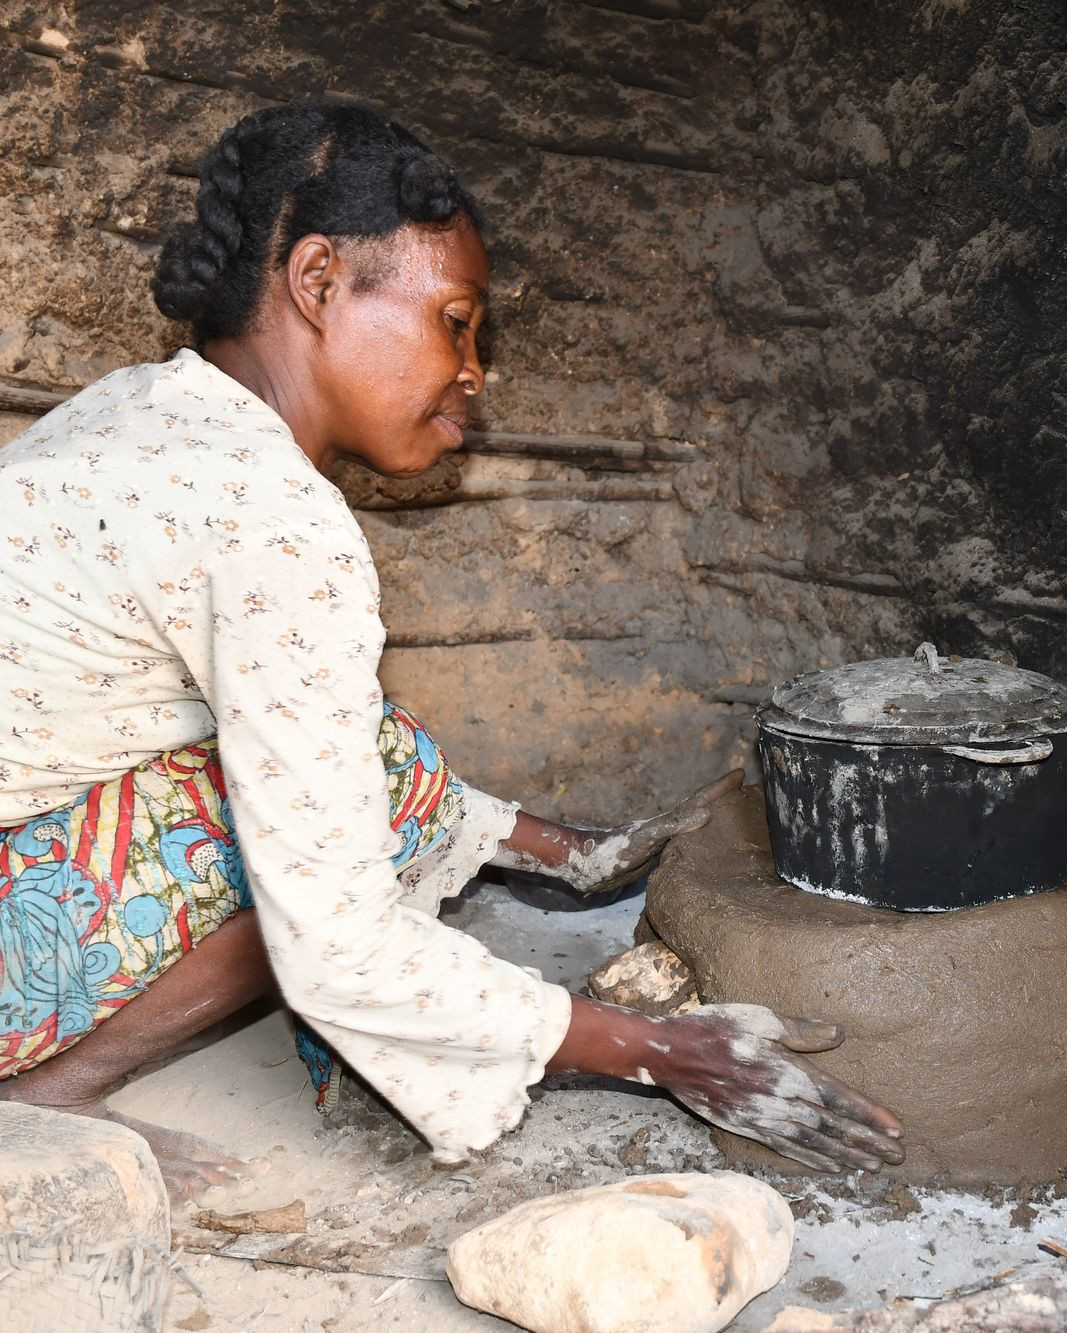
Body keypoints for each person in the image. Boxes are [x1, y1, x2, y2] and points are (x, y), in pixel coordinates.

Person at [0, 102, 904, 1203]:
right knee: (311, 835)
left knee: (345, 744)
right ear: (320, 282)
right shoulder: (272, 522)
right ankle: (42, 1104)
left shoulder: (140, 407)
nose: (474, 373)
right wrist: (657, 1048)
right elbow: (335, 938)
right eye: (457, 322)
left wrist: (561, 851)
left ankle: (568, 857)